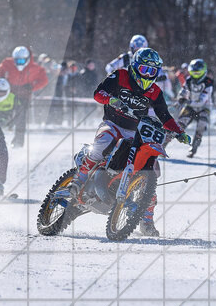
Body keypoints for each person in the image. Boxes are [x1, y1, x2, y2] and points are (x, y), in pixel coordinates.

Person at [75, 48, 190, 237]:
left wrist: (179, 132)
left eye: (152, 71)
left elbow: (165, 116)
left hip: (135, 131)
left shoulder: (154, 91)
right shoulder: (120, 76)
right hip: (113, 123)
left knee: (150, 170)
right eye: (145, 69)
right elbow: (98, 93)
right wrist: (111, 99)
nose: (148, 75)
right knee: (103, 143)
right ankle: (79, 180)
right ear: (136, 67)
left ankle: (146, 221)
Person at [0, 46, 48, 147]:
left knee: (21, 118)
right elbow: (1, 70)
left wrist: (32, 86)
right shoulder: (7, 63)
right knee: (3, 115)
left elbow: (44, 80)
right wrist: (3, 82)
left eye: (22, 61)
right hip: (10, 94)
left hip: (24, 95)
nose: (19, 63)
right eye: (17, 60)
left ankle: (18, 142)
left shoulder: (35, 68)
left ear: (27, 59)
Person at [105, 34, 175, 100]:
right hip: (126, 87)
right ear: (132, 48)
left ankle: (169, 99)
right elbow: (110, 67)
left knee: (163, 79)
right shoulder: (125, 58)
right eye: (136, 50)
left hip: (144, 88)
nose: (138, 53)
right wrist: (113, 75)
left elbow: (158, 71)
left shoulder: (149, 59)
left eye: (141, 50)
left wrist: (165, 74)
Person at [176, 58, 215, 157]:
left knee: (201, 125)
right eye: (194, 72)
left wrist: (187, 101)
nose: (195, 75)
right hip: (190, 106)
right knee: (179, 124)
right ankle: (164, 144)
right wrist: (180, 98)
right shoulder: (189, 80)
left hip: (204, 107)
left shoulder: (208, 83)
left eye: (197, 73)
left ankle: (194, 148)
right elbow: (183, 91)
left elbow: (201, 101)